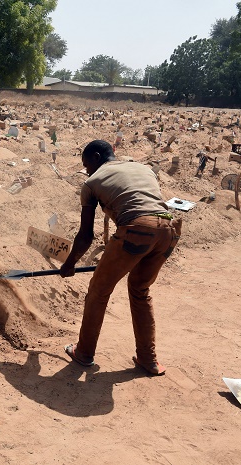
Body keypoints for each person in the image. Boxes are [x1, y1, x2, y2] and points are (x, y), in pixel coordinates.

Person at [60, 140, 181, 376]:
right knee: (139, 289)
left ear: (96, 157)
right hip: (167, 230)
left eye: (87, 165)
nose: (87, 171)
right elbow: (149, 205)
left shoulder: (92, 182)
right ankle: (149, 359)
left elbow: (85, 236)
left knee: (98, 290)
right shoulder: (142, 168)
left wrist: (70, 263)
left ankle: (84, 352)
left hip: (136, 230)